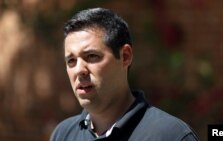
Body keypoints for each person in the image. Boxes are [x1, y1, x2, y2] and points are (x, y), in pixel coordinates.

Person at [50, 7, 199, 141]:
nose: (79, 70)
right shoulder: (63, 134)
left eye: (91, 56)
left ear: (125, 57)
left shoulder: (171, 135)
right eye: (71, 60)